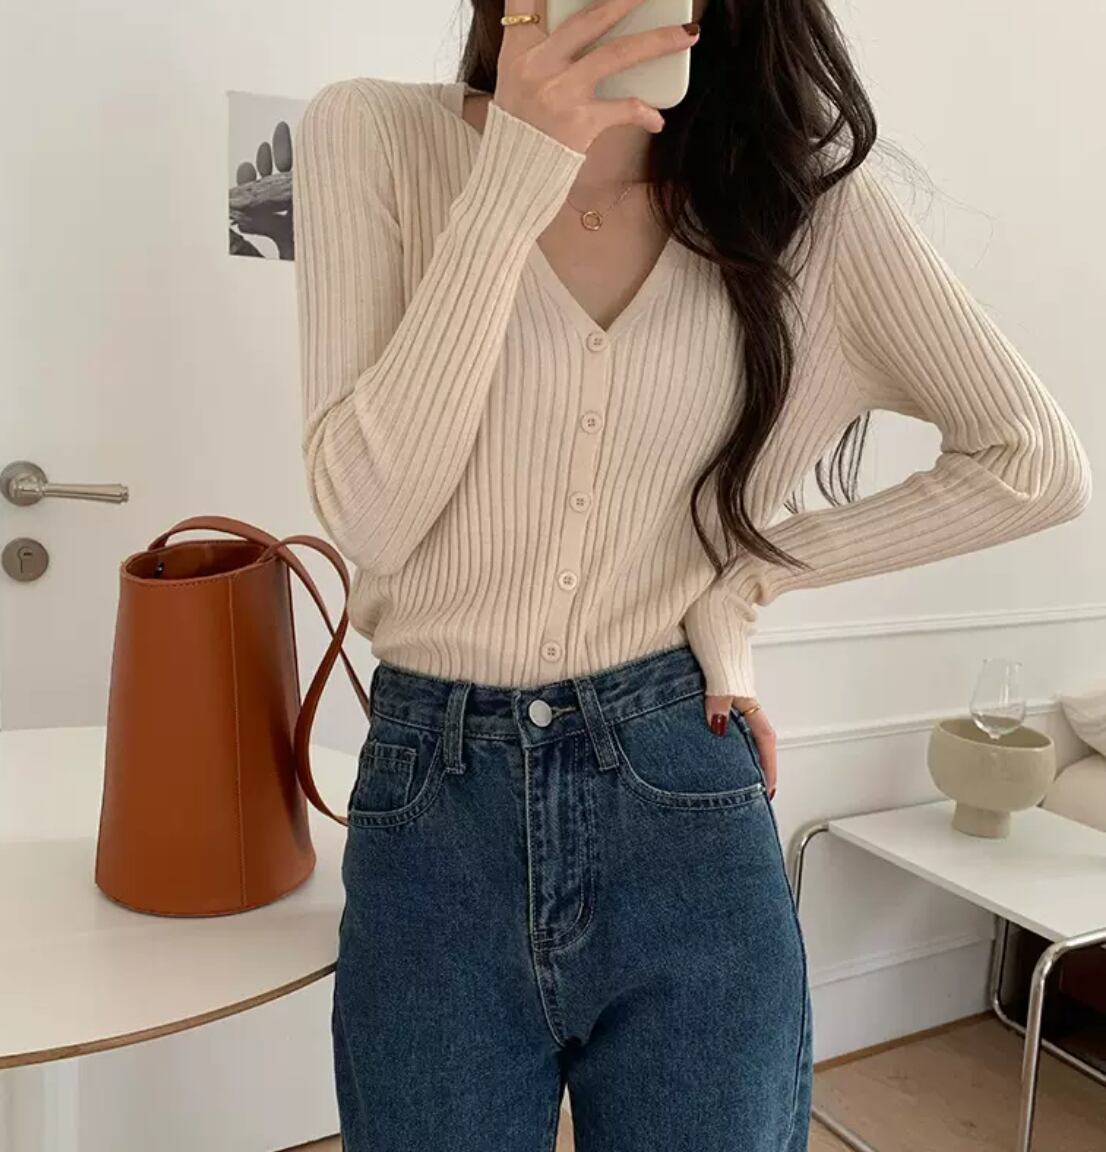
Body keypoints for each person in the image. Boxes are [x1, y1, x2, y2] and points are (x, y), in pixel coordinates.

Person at [291, 0, 1092, 1147]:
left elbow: (1033, 462)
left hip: (676, 779)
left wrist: (749, 580)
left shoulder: (797, 209)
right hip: (435, 807)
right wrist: (512, 178)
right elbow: (371, 515)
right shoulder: (371, 134)